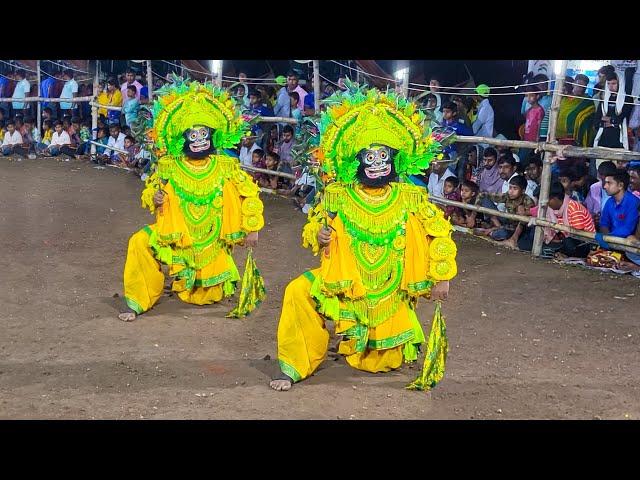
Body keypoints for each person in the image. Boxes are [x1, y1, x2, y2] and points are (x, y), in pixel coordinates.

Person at [270, 84, 457, 391]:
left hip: (391, 288)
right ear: (355, 161)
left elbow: (439, 234)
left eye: (383, 155)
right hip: (345, 282)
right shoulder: (337, 196)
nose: (376, 162)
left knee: (379, 362)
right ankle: (294, 365)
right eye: (368, 156)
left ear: (395, 159)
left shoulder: (411, 197)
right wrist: (320, 235)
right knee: (297, 291)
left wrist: (442, 276)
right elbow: (313, 231)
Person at [118, 79, 265, 322]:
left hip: (212, 238)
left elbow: (249, 193)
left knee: (206, 295)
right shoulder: (169, 166)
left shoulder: (225, 166)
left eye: (204, 133)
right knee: (139, 242)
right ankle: (138, 300)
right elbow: (150, 194)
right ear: (183, 138)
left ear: (213, 135)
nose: (199, 139)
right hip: (177, 235)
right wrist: (154, 198)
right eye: (193, 134)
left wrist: (252, 228)